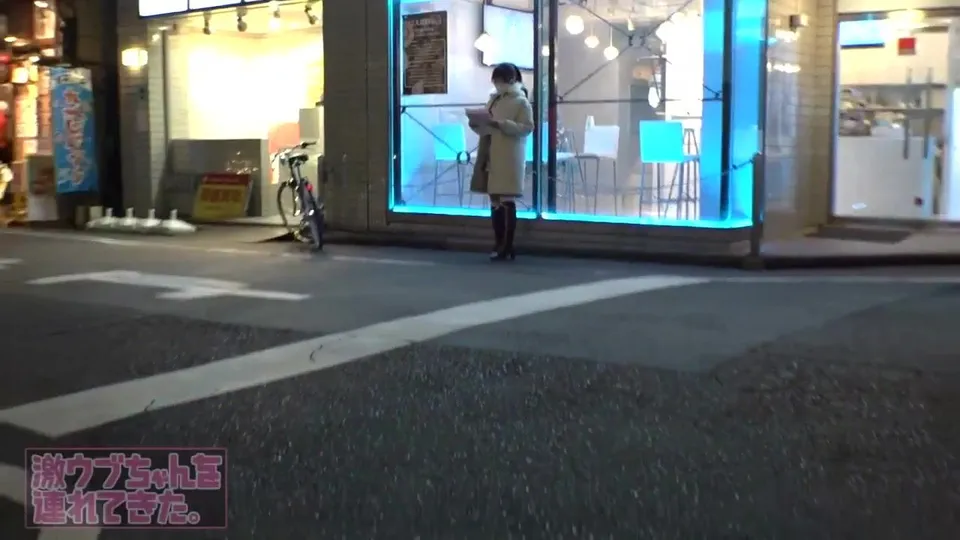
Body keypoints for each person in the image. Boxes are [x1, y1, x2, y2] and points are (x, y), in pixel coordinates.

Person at [468, 62, 534, 261]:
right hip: (490, 151)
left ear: (511, 80)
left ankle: (507, 244)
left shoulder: (521, 102)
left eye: (500, 81)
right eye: (495, 81)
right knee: (495, 199)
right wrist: (477, 123)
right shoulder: (494, 100)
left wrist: (502, 124)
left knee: (507, 198)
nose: (497, 85)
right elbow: (486, 124)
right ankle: (499, 243)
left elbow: (527, 127)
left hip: (509, 154)